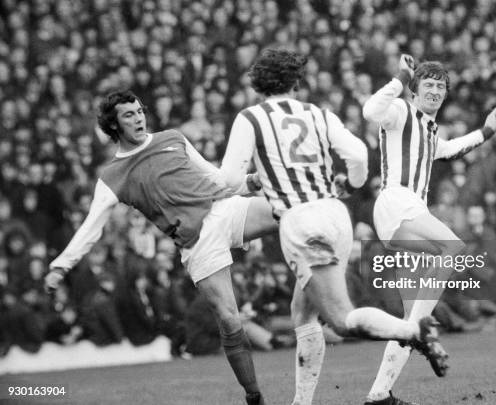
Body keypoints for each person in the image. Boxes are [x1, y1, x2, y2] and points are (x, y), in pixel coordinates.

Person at [221, 49, 440, 405]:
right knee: (302, 310)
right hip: (337, 215)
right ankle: (301, 402)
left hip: (301, 221)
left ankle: (413, 329)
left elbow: (229, 179)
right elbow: (357, 155)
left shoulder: (251, 118)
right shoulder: (318, 114)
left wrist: (249, 182)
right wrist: (351, 184)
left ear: (258, 83)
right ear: (296, 80)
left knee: (339, 318)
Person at [44, 90, 277, 405]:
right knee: (230, 320)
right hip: (198, 242)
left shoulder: (173, 137)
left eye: (139, 111)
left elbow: (216, 177)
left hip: (225, 210)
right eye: (129, 115)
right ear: (113, 126)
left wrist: (249, 183)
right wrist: (61, 265)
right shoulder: (112, 176)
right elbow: (90, 227)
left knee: (288, 210)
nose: (139, 117)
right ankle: (254, 395)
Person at [362, 55, 496, 404]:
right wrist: (399, 77)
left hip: (405, 216)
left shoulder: (430, 130)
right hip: (397, 200)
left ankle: (379, 394)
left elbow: (452, 149)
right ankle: (425, 332)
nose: (435, 90)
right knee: (454, 248)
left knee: (410, 316)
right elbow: (369, 111)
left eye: (441, 86)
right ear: (414, 90)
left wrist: (485, 133)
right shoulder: (398, 111)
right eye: (428, 84)